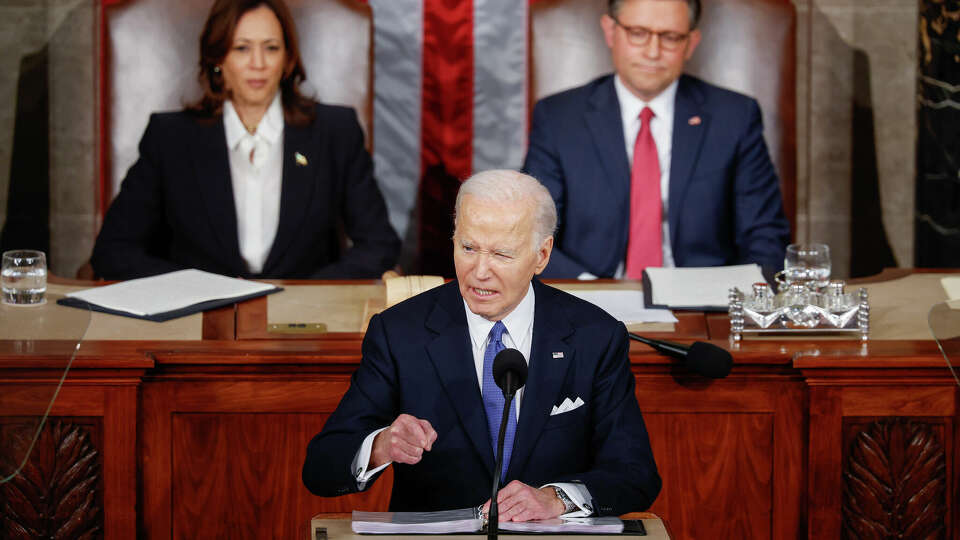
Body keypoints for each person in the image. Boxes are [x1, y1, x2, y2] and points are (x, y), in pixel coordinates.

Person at [302, 170, 660, 520]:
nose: (480, 271)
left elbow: (635, 474)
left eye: (502, 254)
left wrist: (557, 499)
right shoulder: (400, 333)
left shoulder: (593, 336)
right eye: (468, 247)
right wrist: (381, 445)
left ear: (542, 255)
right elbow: (322, 467)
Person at [91, 0, 400, 280]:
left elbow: (379, 245)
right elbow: (113, 251)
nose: (258, 63)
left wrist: (306, 293)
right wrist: (194, 288)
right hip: (199, 324)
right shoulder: (169, 137)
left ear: (288, 59)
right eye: (241, 48)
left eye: (271, 48)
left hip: (302, 325)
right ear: (218, 59)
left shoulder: (335, 131)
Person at [523, 0, 790, 279]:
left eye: (670, 38)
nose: (653, 52)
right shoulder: (558, 118)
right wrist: (591, 292)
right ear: (610, 31)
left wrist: (731, 298)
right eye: (638, 33)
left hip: (702, 304)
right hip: (591, 297)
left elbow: (766, 235)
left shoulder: (735, 117)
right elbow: (532, 234)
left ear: (691, 43)